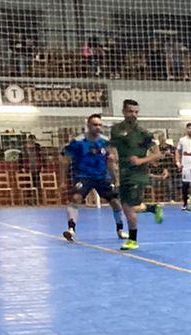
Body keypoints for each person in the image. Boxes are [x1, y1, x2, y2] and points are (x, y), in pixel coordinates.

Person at [62, 113, 125, 244]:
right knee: (76, 198)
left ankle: (120, 230)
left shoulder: (105, 142)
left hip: (102, 177)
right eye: (95, 125)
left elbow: (111, 160)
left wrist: (115, 178)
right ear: (88, 125)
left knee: (115, 202)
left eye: (100, 125)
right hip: (83, 176)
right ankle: (71, 229)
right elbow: (65, 160)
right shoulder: (78, 142)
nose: (98, 127)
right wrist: (62, 180)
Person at [110, 98, 162, 250]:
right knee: (127, 206)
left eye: (136, 112)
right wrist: (112, 160)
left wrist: (141, 160)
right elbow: (113, 147)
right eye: (130, 111)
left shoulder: (143, 133)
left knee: (129, 208)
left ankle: (133, 240)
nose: (133, 114)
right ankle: (152, 208)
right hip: (124, 173)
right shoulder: (116, 129)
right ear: (123, 111)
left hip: (138, 174)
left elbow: (157, 154)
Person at [177, 121, 191, 209]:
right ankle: (185, 203)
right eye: (189, 128)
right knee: (185, 184)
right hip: (185, 164)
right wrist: (178, 162)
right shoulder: (182, 140)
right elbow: (178, 151)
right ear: (186, 129)